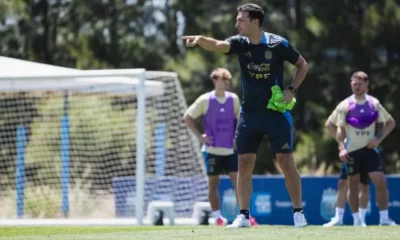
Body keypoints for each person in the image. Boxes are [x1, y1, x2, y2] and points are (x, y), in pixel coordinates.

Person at [182, 3, 308, 228]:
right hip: (249, 114)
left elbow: (302, 65)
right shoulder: (240, 42)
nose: (236, 24)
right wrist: (201, 40)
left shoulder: (278, 44)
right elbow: (219, 45)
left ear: (255, 22)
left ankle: (298, 213)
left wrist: (292, 90)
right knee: (244, 162)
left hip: (274, 113)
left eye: (241, 20)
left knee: (285, 161)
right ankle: (243, 215)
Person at [184, 68, 258, 226]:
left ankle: (245, 215)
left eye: (227, 79)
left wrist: (239, 138)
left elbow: (240, 121)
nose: (226, 82)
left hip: (230, 151)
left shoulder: (234, 99)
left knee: (238, 181)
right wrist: (199, 136)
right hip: (211, 151)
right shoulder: (205, 100)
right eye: (223, 79)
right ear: (214, 80)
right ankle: (218, 217)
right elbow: (187, 117)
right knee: (213, 184)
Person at [332, 71, 397, 226]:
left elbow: (388, 123)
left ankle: (384, 218)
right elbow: (339, 128)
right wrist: (341, 147)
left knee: (380, 181)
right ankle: (357, 220)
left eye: (360, 84)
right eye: (354, 84)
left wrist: (378, 139)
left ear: (367, 85)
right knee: (352, 184)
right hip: (351, 151)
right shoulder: (345, 104)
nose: (356, 87)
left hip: (369, 151)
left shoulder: (374, 103)